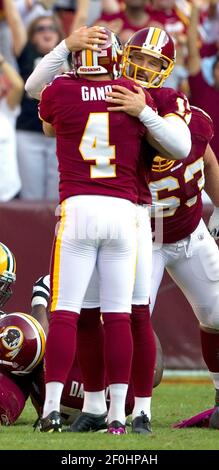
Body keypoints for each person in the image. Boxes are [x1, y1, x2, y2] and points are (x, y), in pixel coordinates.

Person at [25, 25, 191, 434]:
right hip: (127, 214)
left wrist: (66, 47)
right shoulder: (137, 96)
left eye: (154, 62)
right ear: (120, 57)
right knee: (116, 315)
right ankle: (114, 412)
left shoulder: (62, 90)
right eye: (137, 57)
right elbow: (182, 148)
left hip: (95, 209)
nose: (144, 67)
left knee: (77, 311)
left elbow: (35, 90)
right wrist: (144, 112)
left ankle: (61, 409)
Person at [0, 274, 164, 426]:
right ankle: (139, 416)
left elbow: (38, 340)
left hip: (56, 397)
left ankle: (15, 403)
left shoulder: (76, 324)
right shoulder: (118, 327)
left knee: (27, 344)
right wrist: (140, 319)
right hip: (118, 404)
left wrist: (39, 301)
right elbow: (155, 374)